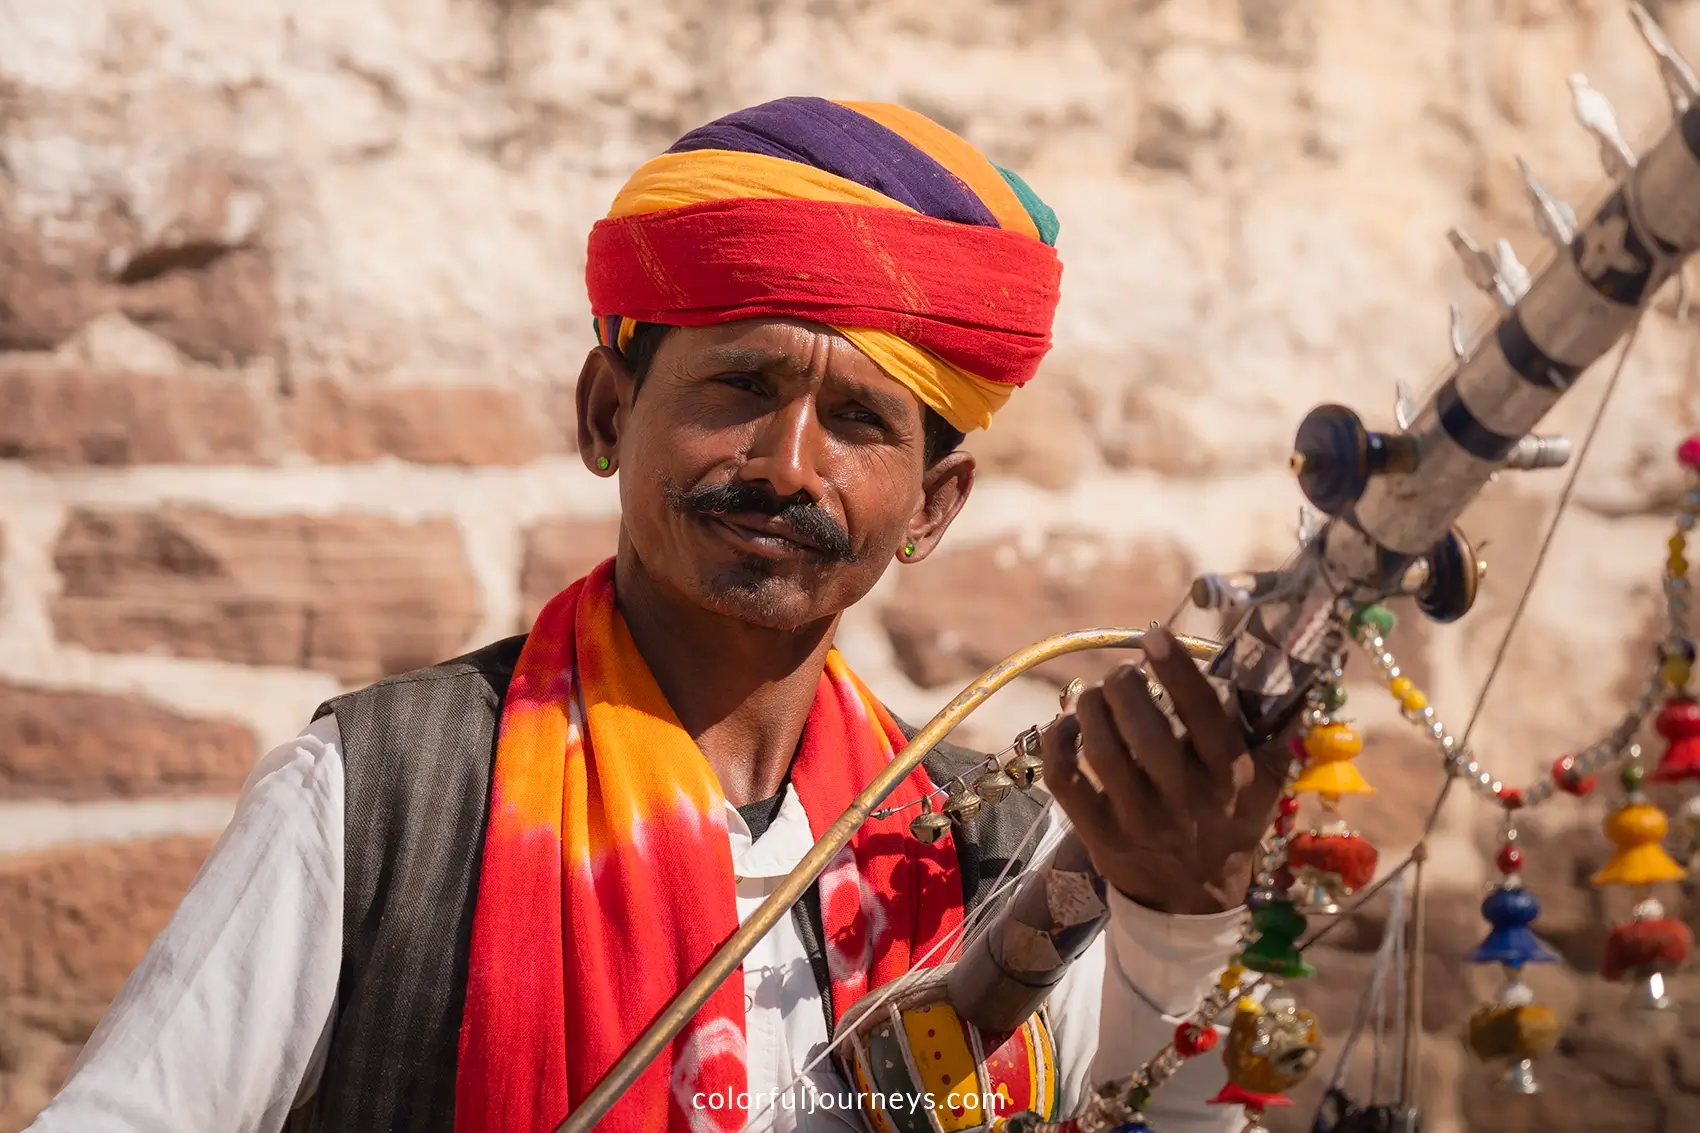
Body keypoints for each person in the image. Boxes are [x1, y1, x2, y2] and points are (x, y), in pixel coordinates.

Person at [25, 98, 1289, 1133]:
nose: (789, 465)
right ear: (602, 413)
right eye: (740, 384)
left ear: (933, 503)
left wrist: (1182, 917)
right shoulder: (379, 798)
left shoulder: (991, 853)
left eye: (859, 422)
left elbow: (1167, 1112)